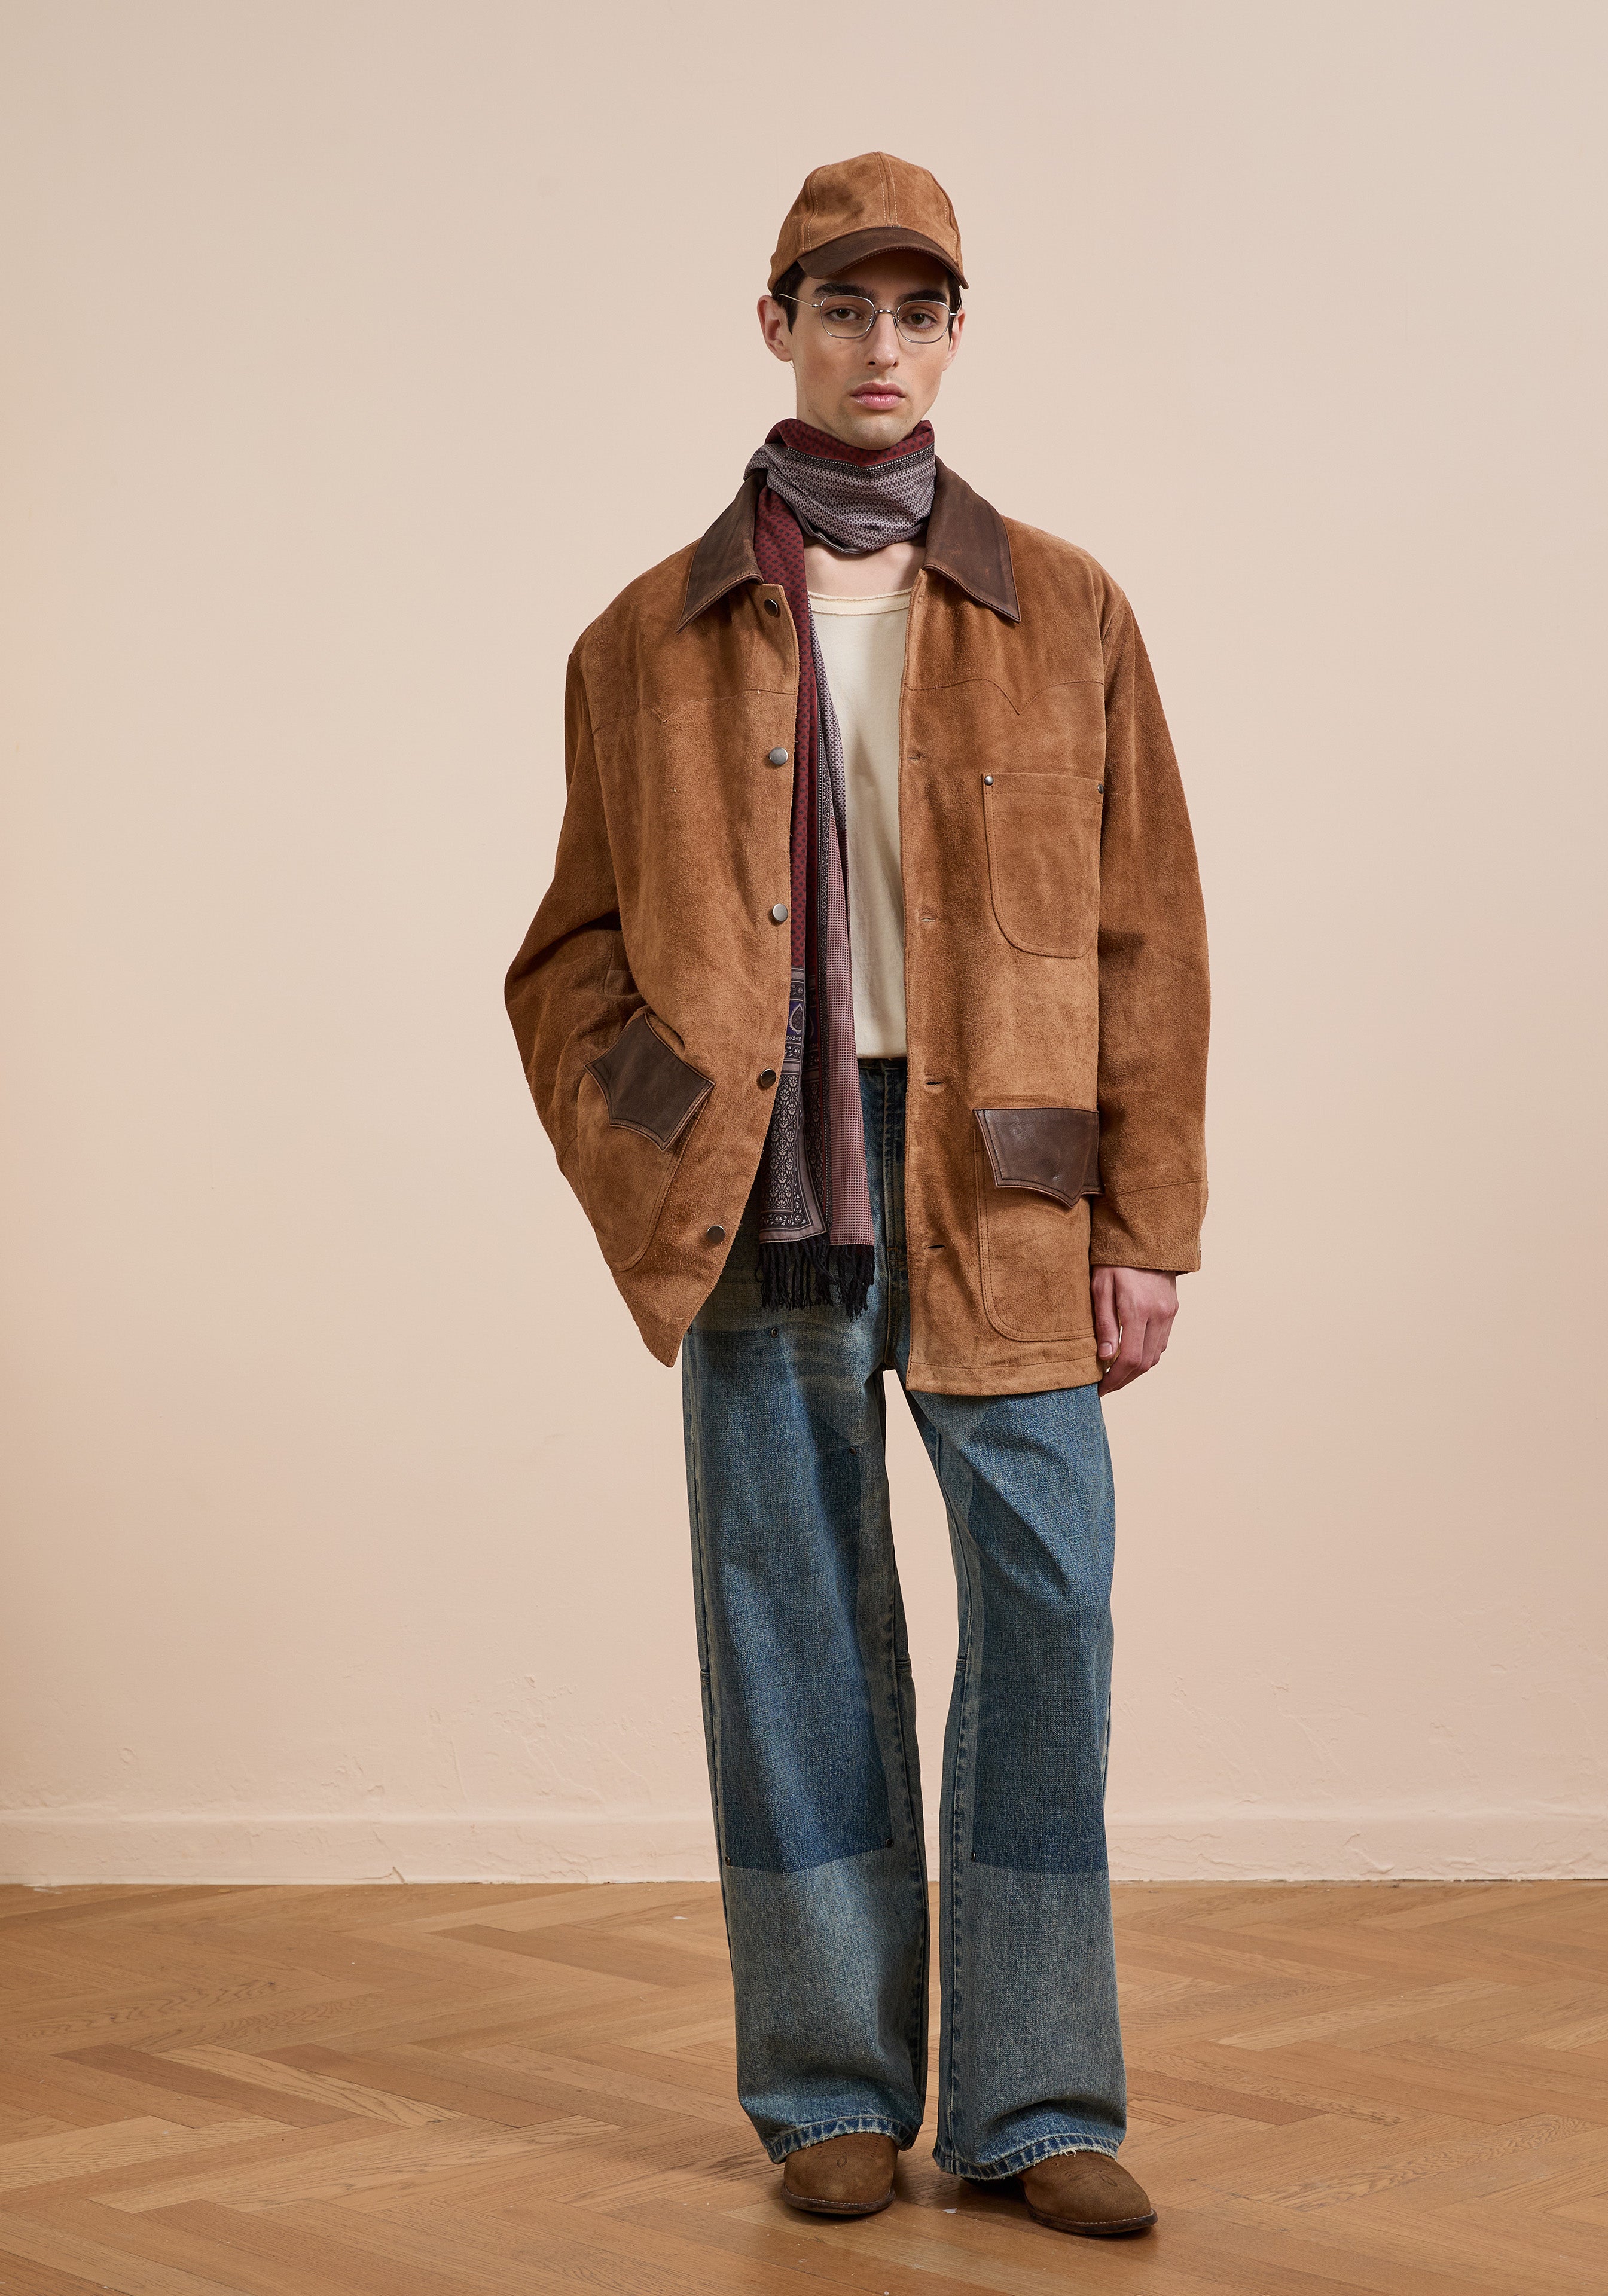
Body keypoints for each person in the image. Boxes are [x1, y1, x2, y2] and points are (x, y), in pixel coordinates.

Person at [505, 152, 1209, 2240]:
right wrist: (671, 1134)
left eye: (918, 310)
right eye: (842, 307)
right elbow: (568, 954)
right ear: (779, 326)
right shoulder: (646, 639)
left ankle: (1037, 2102)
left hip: (1010, 1190)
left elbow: (1149, 939)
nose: (880, 345)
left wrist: (1149, 1224)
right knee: (791, 1622)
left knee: (1048, 1609)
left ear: (956, 336)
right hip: (767, 1189)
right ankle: (826, 2088)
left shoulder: (1067, 609)